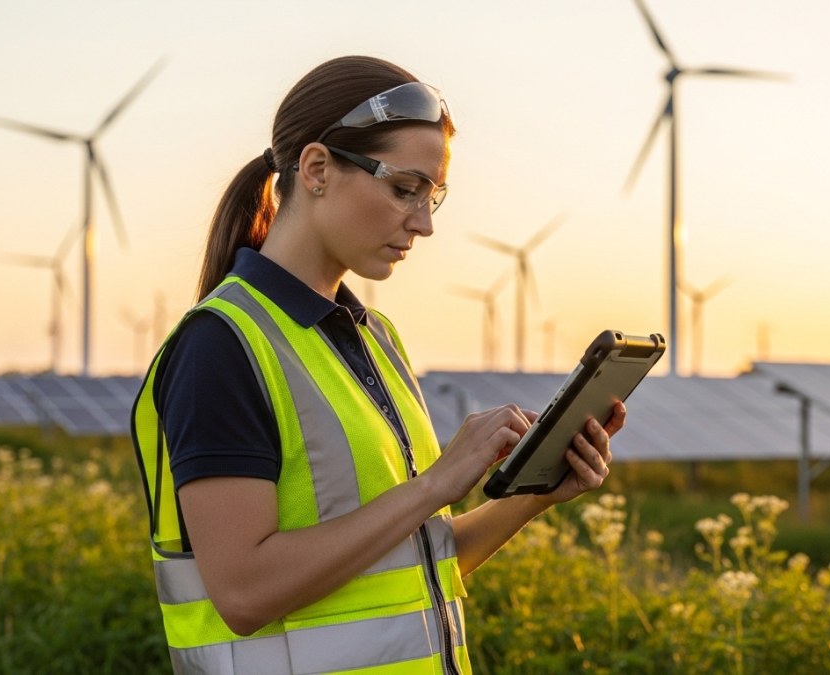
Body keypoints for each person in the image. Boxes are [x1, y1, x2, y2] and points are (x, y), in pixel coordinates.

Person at [131, 55, 626, 675]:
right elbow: (243, 593)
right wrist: (436, 483)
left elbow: (410, 563)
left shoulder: (374, 338)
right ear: (316, 169)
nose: (422, 223)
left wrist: (534, 498)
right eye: (403, 188)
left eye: (433, 197)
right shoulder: (222, 348)